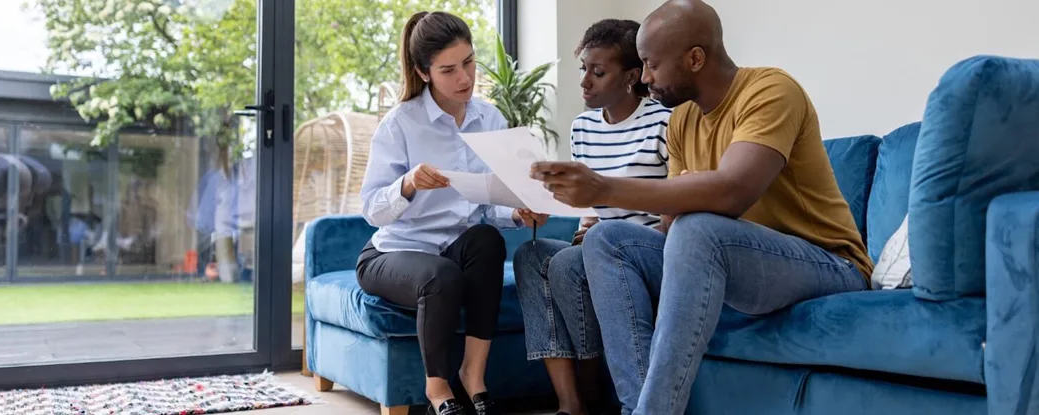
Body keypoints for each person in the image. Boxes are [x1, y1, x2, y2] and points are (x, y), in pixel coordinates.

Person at [528, 1, 874, 413]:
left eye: (652, 66)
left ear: (695, 58)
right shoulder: (681, 121)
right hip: (734, 263)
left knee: (700, 229)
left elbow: (732, 192)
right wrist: (666, 211)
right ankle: (637, 404)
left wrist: (605, 188)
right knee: (607, 238)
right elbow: (674, 221)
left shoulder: (771, 90)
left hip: (825, 264)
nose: (647, 79)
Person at [357, 10, 547, 415]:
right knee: (441, 274)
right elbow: (372, 210)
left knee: (487, 240)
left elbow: (485, 199)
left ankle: (473, 377)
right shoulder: (400, 124)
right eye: (449, 70)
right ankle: (437, 390)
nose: (465, 78)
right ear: (424, 73)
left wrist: (518, 213)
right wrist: (407, 184)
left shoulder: (489, 119)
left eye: (469, 62)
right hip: (391, 255)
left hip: (453, 249)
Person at [512, 18, 671, 415]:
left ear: (632, 76)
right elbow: (591, 211)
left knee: (567, 263)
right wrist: (581, 223)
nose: (584, 81)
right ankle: (570, 404)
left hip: (647, 250)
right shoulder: (582, 128)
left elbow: (675, 204)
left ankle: (593, 384)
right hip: (599, 244)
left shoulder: (663, 122)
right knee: (532, 257)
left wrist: (599, 233)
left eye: (597, 72)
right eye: (583, 68)